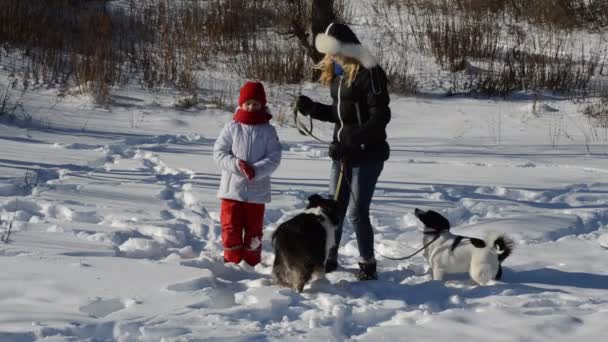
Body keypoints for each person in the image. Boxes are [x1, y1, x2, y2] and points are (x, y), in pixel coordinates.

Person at [295, 23, 391, 280]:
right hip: (342, 153)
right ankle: (329, 257)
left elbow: (380, 116)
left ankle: (367, 263)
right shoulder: (338, 72)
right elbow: (340, 115)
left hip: (367, 154)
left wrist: (355, 137)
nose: (331, 57)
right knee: (333, 208)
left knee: (357, 213)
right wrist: (313, 109)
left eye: (335, 51)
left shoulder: (370, 73)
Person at [214, 81, 282, 266]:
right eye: (248, 103)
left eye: (256, 104)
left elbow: (274, 157)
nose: (252, 107)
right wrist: (237, 165)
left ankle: (252, 263)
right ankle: (232, 262)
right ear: (241, 104)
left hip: (256, 193)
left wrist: (256, 170)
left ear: (262, 105)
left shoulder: (268, 130)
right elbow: (219, 153)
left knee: (254, 232)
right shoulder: (232, 127)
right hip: (231, 191)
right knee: (230, 228)